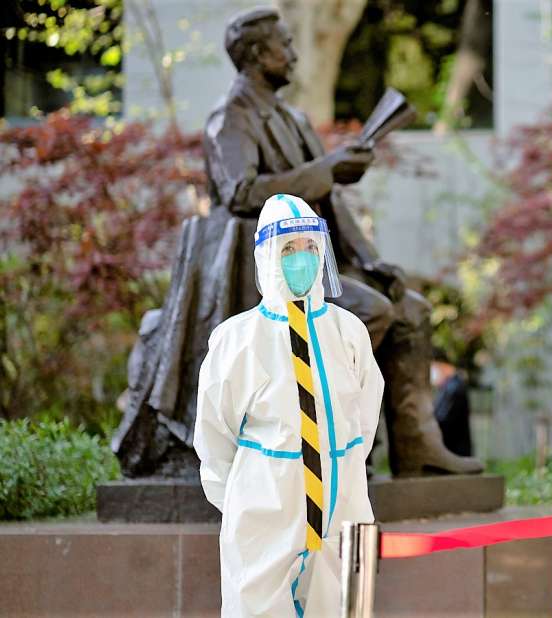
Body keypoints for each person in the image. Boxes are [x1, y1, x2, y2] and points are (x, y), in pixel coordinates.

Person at [114, 7, 481, 478]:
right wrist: (325, 170)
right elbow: (240, 192)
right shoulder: (230, 118)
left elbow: (327, 197)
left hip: (317, 262)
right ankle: (322, 430)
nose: (292, 53)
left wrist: (371, 260)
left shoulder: (293, 118)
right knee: (370, 312)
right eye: (283, 45)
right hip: (266, 273)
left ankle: (417, 447)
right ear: (254, 55)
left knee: (411, 308)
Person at [195, 194, 383, 617]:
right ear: (267, 257)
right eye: (288, 250)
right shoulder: (237, 339)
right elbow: (214, 436)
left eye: (311, 248)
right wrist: (250, 496)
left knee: (339, 606)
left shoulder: (348, 332)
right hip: (265, 511)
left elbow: (363, 418)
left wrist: (341, 467)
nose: (302, 259)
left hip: (341, 507)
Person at [431, 349, 473, 457]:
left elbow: (442, 420)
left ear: (443, 365)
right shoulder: (449, 387)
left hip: (454, 453)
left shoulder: (454, 388)